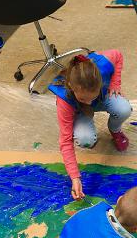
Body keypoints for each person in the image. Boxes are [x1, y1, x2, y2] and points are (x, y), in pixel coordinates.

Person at [49, 51, 131, 200]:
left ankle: (115, 130)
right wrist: (75, 178)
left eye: (91, 97)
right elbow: (65, 141)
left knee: (124, 108)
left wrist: (115, 84)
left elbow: (118, 55)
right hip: (79, 110)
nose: (88, 102)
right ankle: (86, 118)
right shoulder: (64, 101)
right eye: (83, 98)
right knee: (85, 139)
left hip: (102, 98)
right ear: (71, 87)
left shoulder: (102, 66)